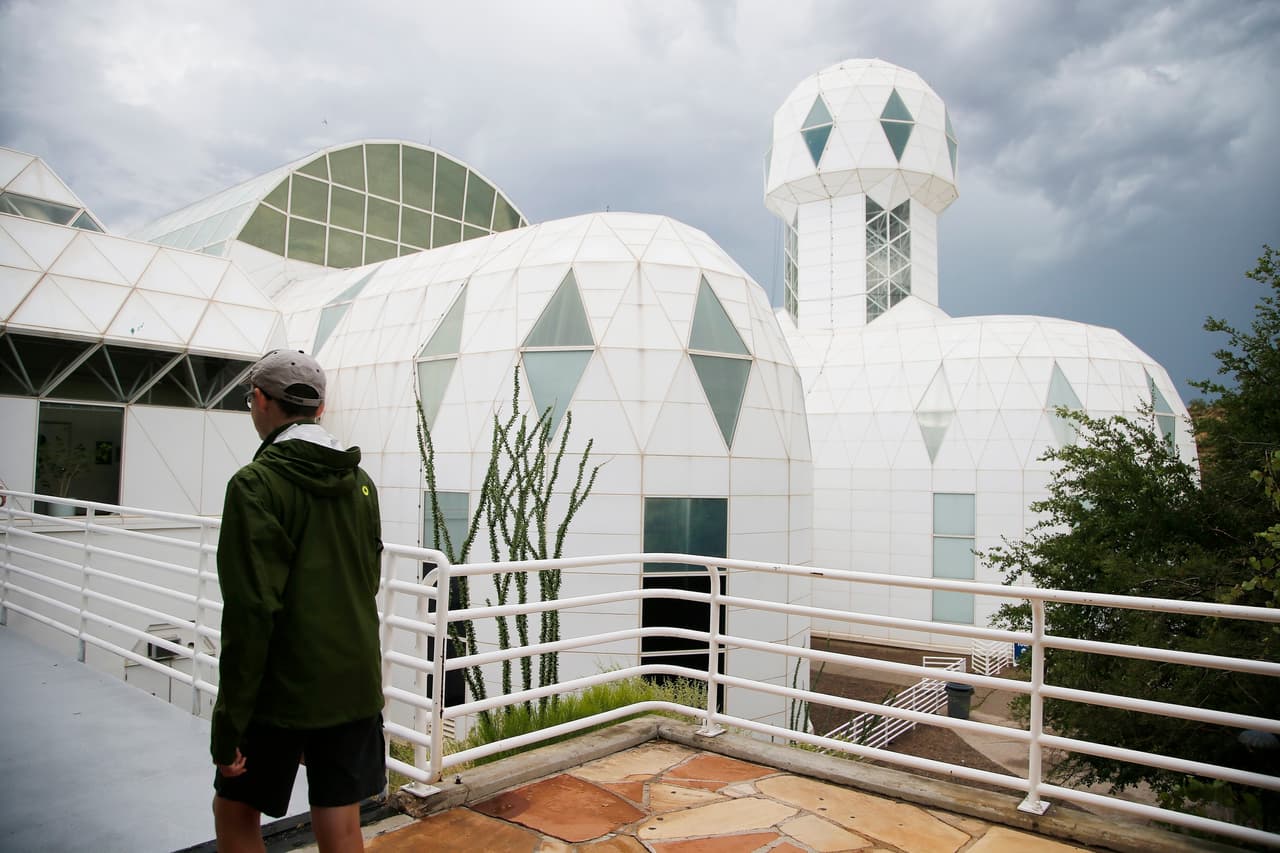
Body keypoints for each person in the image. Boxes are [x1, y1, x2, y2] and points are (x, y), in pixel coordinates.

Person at [211, 349, 385, 853]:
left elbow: (250, 612)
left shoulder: (255, 485)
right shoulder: (360, 484)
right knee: (340, 822)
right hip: (352, 684)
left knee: (235, 809)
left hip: (280, 693)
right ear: (319, 408)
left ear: (261, 400)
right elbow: (364, 581)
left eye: (250, 399)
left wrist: (230, 726)